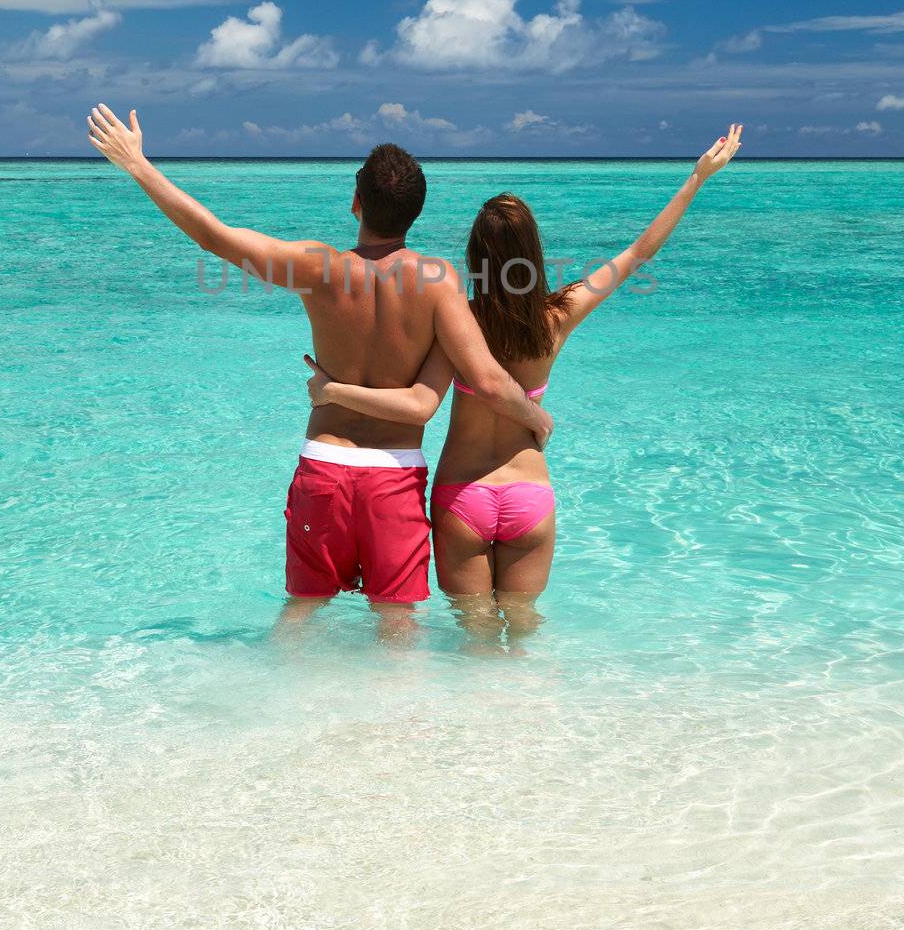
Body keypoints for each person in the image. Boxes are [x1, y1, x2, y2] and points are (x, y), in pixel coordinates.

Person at [85, 107, 553, 623]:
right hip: (393, 476)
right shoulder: (438, 280)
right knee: (397, 624)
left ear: (356, 204)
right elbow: (486, 381)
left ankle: (275, 699)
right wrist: (535, 419)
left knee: (301, 612)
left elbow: (214, 236)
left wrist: (137, 164)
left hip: (323, 466)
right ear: (415, 213)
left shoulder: (319, 267)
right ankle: (409, 708)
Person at [305, 125, 742, 633]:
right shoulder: (559, 316)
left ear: (475, 256)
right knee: (525, 636)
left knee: (476, 637)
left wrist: (334, 387)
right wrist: (696, 178)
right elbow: (640, 252)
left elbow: (414, 388)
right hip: (530, 499)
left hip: (462, 496)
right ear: (533, 252)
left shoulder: (456, 322)